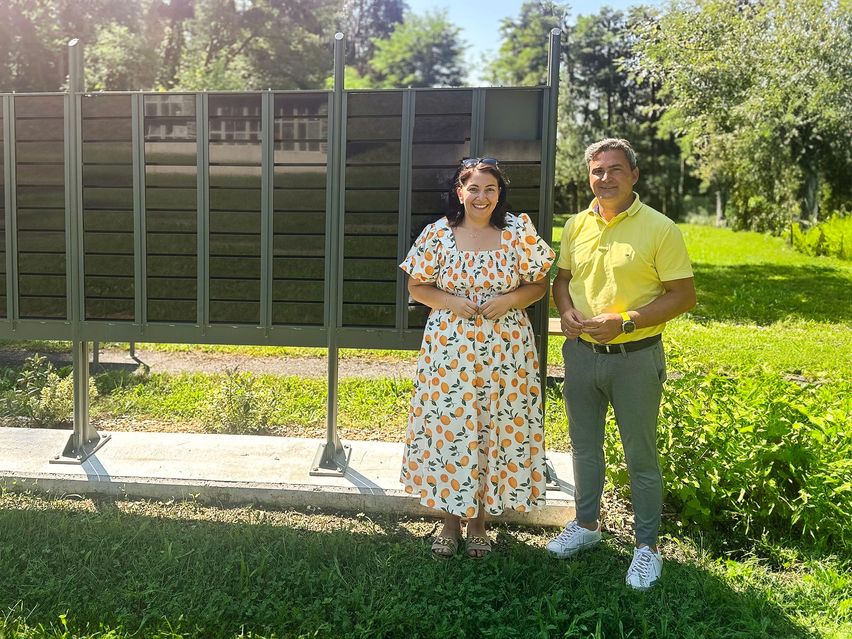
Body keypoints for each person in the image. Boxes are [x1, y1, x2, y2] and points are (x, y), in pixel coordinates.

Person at [546, 138, 695, 589]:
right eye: (597, 171)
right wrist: (566, 310)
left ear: (633, 175)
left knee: (640, 454)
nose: (604, 178)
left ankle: (647, 548)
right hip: (581, 356)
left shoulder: (660, 228)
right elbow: (563, 280)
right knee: (584, 446)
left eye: (614, 169)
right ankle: (587, 526)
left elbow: (683, 297)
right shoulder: (576, 225)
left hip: (635, 358)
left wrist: (626, 322)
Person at [399, 158, 555, 559]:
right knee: (454, 430)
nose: (481, 197)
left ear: (499, 194)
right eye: (474, 189)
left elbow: (539, 284)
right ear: (460, 192)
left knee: (493, 429)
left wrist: (509, 300)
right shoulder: (438, 234)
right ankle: (450, 522)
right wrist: (450, 300)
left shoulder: (518, 233)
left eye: (490, 189)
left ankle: (481, 524)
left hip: (506, 352)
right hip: (450, 354)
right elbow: (417, 287)